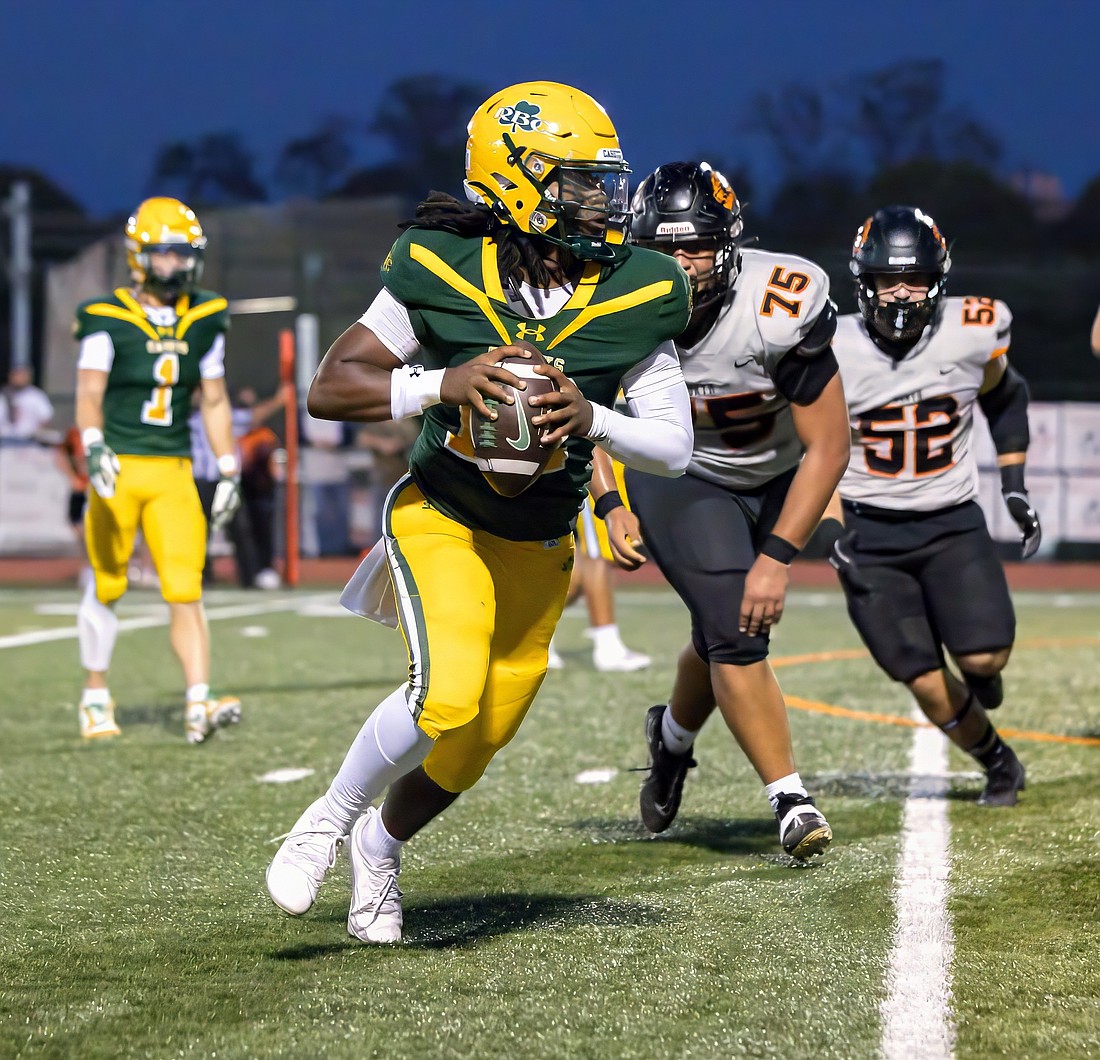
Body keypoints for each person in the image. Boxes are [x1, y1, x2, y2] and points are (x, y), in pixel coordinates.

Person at [266, 81, 694, 944]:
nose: (601, 201)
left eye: (603, 182)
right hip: (442, 516)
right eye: (578, 182)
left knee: (481, 735)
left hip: (540, 544)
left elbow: (674, 446)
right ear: (516, 183)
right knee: (446, 695)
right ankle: (325, 819)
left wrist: (594, 417)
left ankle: (378, 851)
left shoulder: (639, 287)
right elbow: (330, 386)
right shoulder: (439, 260)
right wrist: (440, 382)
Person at [608, 161, 851, 858]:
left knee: (719, 633)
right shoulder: (611, 300)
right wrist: (607, 501)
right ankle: (790, 800)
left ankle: (671, 742)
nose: (683, 265)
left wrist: (776, 557)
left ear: (731, 243)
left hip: (779, 471)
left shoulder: (778, 303)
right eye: (665, 248)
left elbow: (830, 444)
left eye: (697, 246)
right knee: (737, 631)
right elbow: (581, 405)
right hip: (680, 475)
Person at [828, 204, 1036, 807]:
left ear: (938, 280)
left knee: (985, 654)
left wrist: (1014, 484)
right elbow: (804, 444)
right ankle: (999, 762)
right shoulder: (830, 346)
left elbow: (1007, 396)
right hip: (870, 530)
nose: (899, 292)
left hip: (950, 522)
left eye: (914, 278)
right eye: (886, 278)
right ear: (861, 282)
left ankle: (980, 672)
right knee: (919, 672)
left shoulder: (975, 328)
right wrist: (827, 525)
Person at [73, 196, 244, 743]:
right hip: (119, 467)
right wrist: (94, 444)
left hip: (173, 469)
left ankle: (199, 701)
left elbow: (213, 400)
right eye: (164, 253)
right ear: (139, 256)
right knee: (107, 583)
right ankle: (95, 695)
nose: (175, 264)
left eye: (183, 253)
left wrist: (228, 466)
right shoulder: (107, 316)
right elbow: (88, 393)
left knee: (185, 588)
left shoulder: (205, 314)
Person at [548, 462, 651, 672]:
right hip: (593, 457)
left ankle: (531, 629)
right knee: (596, 555)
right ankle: (607, 645)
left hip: (617, 456)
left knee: (589, 563)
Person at [0, 364, 53, 442]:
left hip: (29, 439)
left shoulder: (36, 395)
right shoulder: (3, 394)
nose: (19, 378)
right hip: (5, 438)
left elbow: (46, 417)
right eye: (17, 375)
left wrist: (38, 433)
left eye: (23, 375)